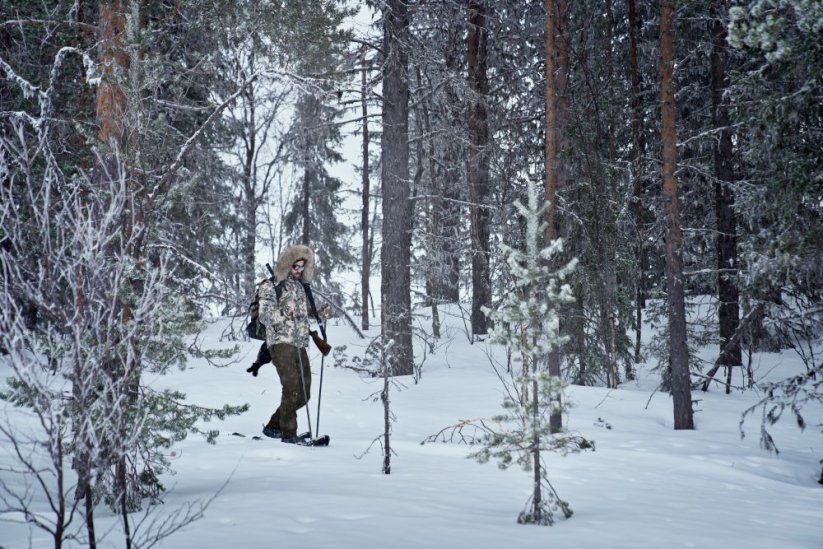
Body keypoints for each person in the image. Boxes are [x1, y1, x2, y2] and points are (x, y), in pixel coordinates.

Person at [256, 244, 319, 443]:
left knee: (304, 393)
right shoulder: (271, 285)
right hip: (280, 342)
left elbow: (301, 314)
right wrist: (285, 312)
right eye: (295, 266)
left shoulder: (300, 287)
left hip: (300, 343)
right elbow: (265, 315)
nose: (299, 270)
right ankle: (289, 434)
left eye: (302, 267)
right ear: (287, 265)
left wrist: (318, 313)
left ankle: (274, 426)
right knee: (291, 387)